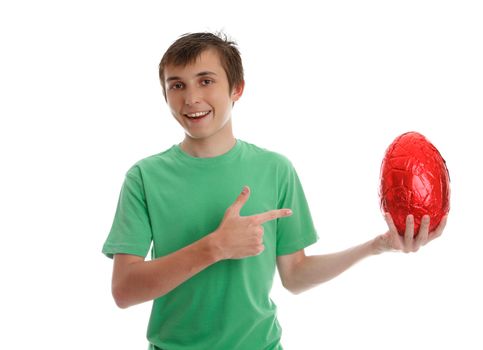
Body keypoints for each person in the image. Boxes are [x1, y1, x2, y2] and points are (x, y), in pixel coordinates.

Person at [102, 32, 447, 350]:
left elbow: (295, 275)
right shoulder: (144, 177)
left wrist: (376, 246)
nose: (191, 98)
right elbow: (124, 290)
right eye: (176, 85)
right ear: (165, 95)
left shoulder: (276, 169)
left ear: (236, 88)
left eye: (205, 81)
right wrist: (215, 247)